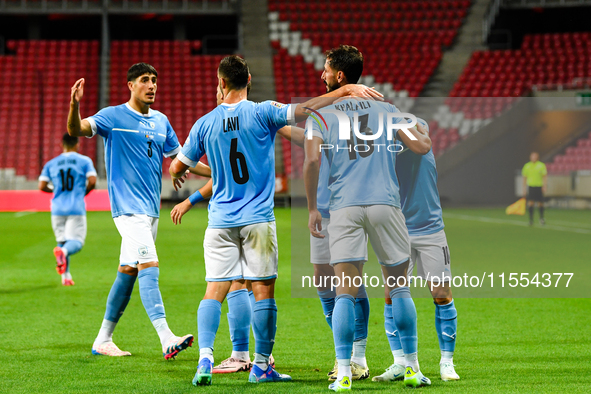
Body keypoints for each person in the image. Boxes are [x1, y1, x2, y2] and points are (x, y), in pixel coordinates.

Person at [169, 55, 380, 386]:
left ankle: (205, 358)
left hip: (220, 221)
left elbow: (177, 168)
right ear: (249, 79)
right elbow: (305, 109)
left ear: (221, 83)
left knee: (215, 290)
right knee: (263, 291)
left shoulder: (204, 123)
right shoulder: (263, 111)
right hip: (257, 220)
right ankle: (261, 365)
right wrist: (344, 92)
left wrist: (202, 174)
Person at [304, 45, 432, 391]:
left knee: (344, 290)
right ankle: (412, 368)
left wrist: (314, 207)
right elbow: (421, 147)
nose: (322, 75)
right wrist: (418, 130)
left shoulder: (321, 114)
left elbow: (312, 161)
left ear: (340, 76)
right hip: (385, 204)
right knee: (399, 287)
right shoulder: (387, 109)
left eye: (326, 70)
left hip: (344, 206)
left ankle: (344, 372)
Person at [66, 62, 210, 359]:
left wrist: (216, 174)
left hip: (151, 211)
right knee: (149, 265)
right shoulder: (112, 116)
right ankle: (166, 337)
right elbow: (76, 129)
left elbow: (181, 159)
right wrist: (74, 105)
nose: (152, 85)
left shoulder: (161, 121)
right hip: (127, 210)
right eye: (145, 80)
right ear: (130, 85)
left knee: (128, 270)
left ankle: (103, 339)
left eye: (155, 80)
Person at [372, 118, 460, 383]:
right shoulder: (385, 155)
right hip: (397, 230)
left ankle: (447, 362)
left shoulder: (423, 148)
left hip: (431, 230)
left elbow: (421, 138)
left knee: (441, 293)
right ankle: (400, 362)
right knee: (391, 294)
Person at [39, 133, 97, 286]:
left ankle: (66, 277)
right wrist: (83, 192)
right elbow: (92, 181)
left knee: (62, 241)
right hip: (75, 207)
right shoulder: (84, 161)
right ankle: (63, 253)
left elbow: (42, 186)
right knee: (76, 242)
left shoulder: (51, 163)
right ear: (77, 144)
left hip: (57, 208)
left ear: (61, 145)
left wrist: (55, 189)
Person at [522, 152, 547, 226]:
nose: (533, 158)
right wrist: (524, 188)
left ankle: (541, 218)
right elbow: (524, 178)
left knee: (540, 203)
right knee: (530, 203)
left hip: (539, 186)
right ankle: (531, 219)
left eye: (535, 156)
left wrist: (544, 186)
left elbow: (544, 176)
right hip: (531, 186)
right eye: (532, 156)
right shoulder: (527, 166)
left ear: (537, 157)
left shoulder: (541, 165)